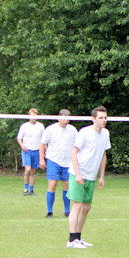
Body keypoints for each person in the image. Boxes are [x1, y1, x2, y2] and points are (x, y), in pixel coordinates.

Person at [66, 106, 111, 248]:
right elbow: (74, 153)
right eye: (100, 118)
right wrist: (78, 174)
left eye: (105, 117)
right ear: (93, 119)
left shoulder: (105, 133)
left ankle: (78, 237)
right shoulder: (84, 132)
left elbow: (103, 155)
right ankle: (71, 240)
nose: (104, 120)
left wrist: (101, 176)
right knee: (77, 205)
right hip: (77, 173)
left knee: (87, 207)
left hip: (91, 176)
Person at [39, 109, 78, 218]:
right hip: (53, 160)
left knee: (67, 185)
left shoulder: (73, 130)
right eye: (64, 118)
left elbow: (78, 145)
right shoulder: (50, 129)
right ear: (59, 118)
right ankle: (50, 211)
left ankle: (67, 211)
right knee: (52, 184)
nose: (66, 121)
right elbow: (42, 144)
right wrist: (41, 159)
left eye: (68, 119)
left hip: (68, 162)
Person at [17, 108, 45, 196]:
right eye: (33, 116)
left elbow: (43, 140)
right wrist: (22, 146)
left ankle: (31, 190)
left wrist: (45, 151)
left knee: (33, 171)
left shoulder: (40, 126)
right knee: (28, 169)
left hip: (37, 151)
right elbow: (19, 138)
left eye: (36, 116)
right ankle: (25, 189)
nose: (34, 118)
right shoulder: (24, 126)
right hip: (27, 150)